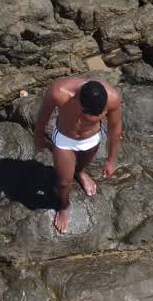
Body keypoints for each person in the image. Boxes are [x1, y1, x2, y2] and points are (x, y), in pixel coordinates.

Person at [33, 76, 122, 233]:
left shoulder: (113, 97)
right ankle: (64, 205)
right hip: (65, 140)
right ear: (78, 99)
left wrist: (111, 159)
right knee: (63, 182)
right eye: (87, 112)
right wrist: (38, 137)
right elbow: (43, 116)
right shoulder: (59, 92)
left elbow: (115, 128)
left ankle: (80, 173)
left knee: (80, 167)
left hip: (92, 138)